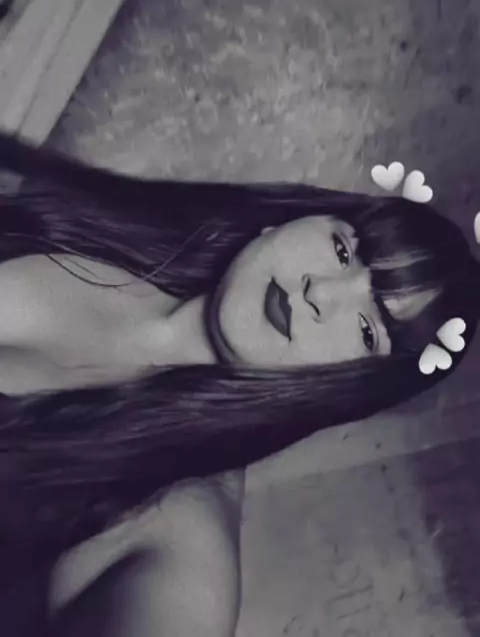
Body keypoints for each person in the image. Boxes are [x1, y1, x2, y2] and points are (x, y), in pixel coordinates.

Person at [0, 131, 478, 636]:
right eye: (342, 250)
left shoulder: (179, 543)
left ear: (347, 391)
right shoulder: (99, 223)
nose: (319, 293)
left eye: (367, 330)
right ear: (288, 222)